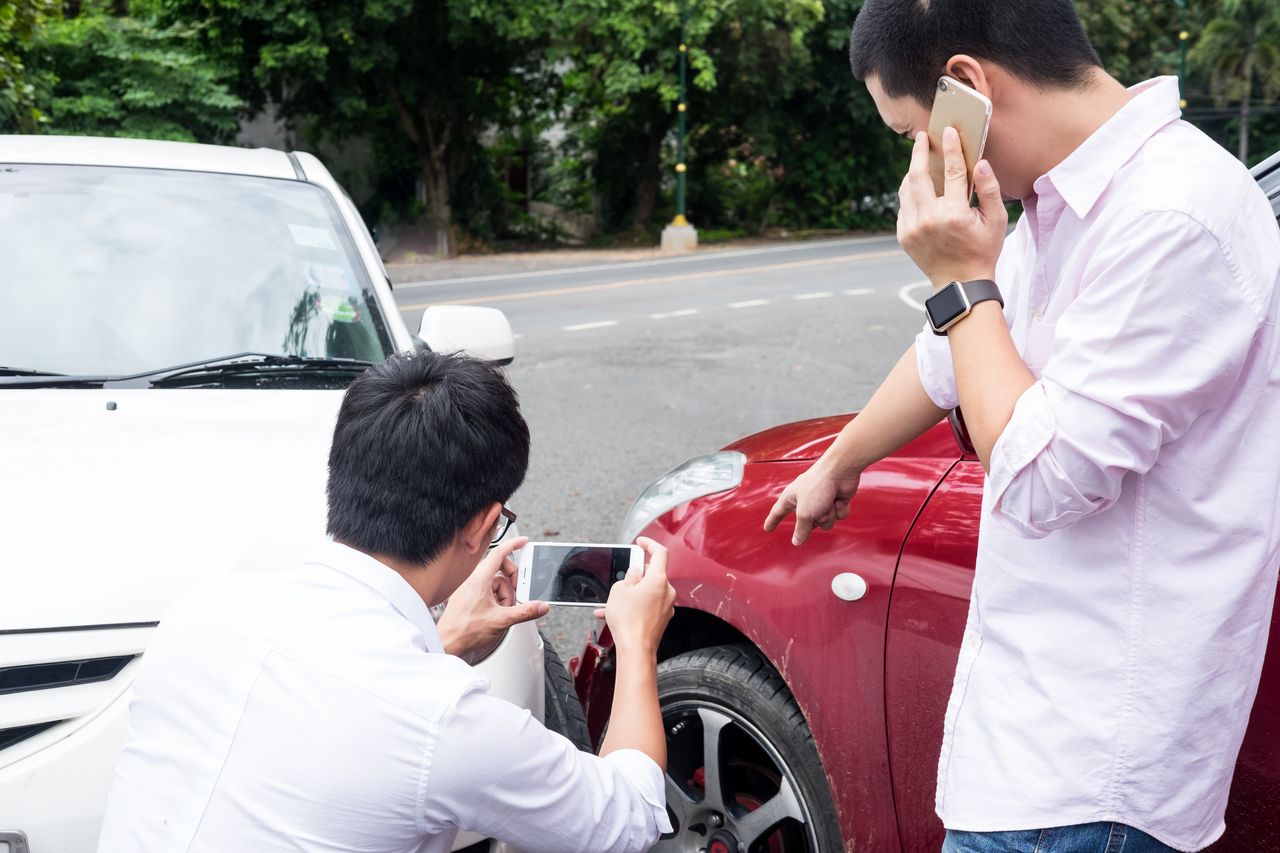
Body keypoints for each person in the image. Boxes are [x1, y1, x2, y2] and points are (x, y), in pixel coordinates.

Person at [764, 2, 1280, 852]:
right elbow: (947, 357)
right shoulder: (1054, 199)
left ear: (966, 87)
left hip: (1089, 778)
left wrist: (963, 275)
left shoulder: (1171, 217)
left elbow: (1041, 477)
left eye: (910, 132)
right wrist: (842, 460)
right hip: (1035, 748)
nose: (916, 158)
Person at [98, 351, 677, 853]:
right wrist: (636, 640)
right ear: (481, 525)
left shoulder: (200, 614)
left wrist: (446, 645)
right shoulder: (447, 721)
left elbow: (333, 711)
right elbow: (628, 818)